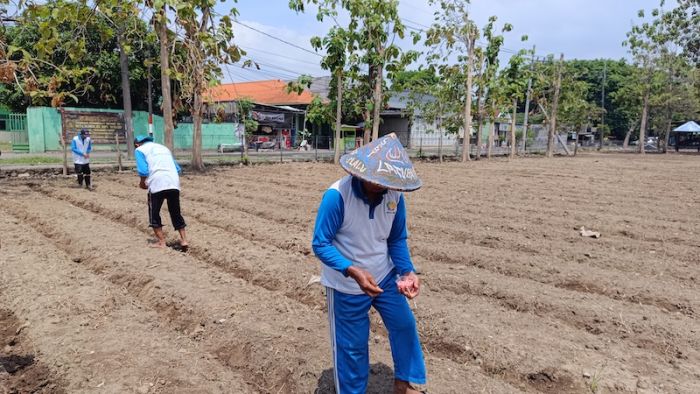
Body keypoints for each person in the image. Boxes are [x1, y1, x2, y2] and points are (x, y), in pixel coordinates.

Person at [312, 133, 426, 394]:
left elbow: (396, 238)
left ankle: (404, 385)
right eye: (380, 182)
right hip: (346, 285)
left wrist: (407, 271)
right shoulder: (337, 196)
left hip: (384, 275)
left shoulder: (394, 197)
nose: (386, 187)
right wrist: (353, 271)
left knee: (404, 325)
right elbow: (320, 243)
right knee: (352, 347)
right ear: (363, 175)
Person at [134, 135, 188, 251]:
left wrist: (142, 183)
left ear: (137, 144)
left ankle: (162, 242)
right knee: (175, 212)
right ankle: (184, 240)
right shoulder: (164, 148)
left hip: (157, 183)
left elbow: (143, 170)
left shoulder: (139, 150)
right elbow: (177, 168)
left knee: (154, 213)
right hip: (173, 182)